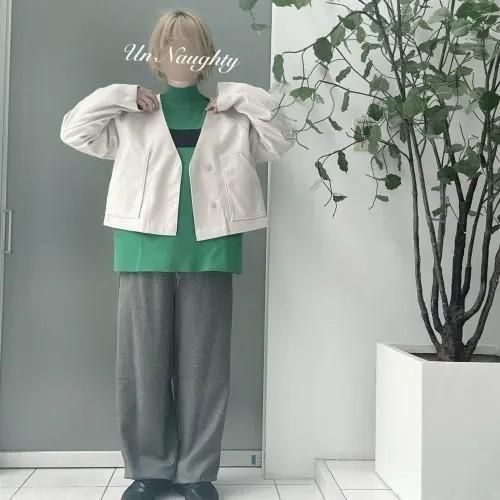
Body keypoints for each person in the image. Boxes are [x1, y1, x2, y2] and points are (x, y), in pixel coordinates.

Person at [60, 8, 296, 500]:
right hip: (142, 251)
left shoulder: (232, 118)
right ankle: (149, 471)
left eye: (190, 46)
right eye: (170, 46)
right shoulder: (131, 117)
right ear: (156, 56)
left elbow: (283, 136)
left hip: (211, 253)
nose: (180, 55)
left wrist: (240, 95)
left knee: (204, 370)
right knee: (141, 370)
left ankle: (196, 473)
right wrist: (120, 95)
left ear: (206, 55)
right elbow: (74, 130)